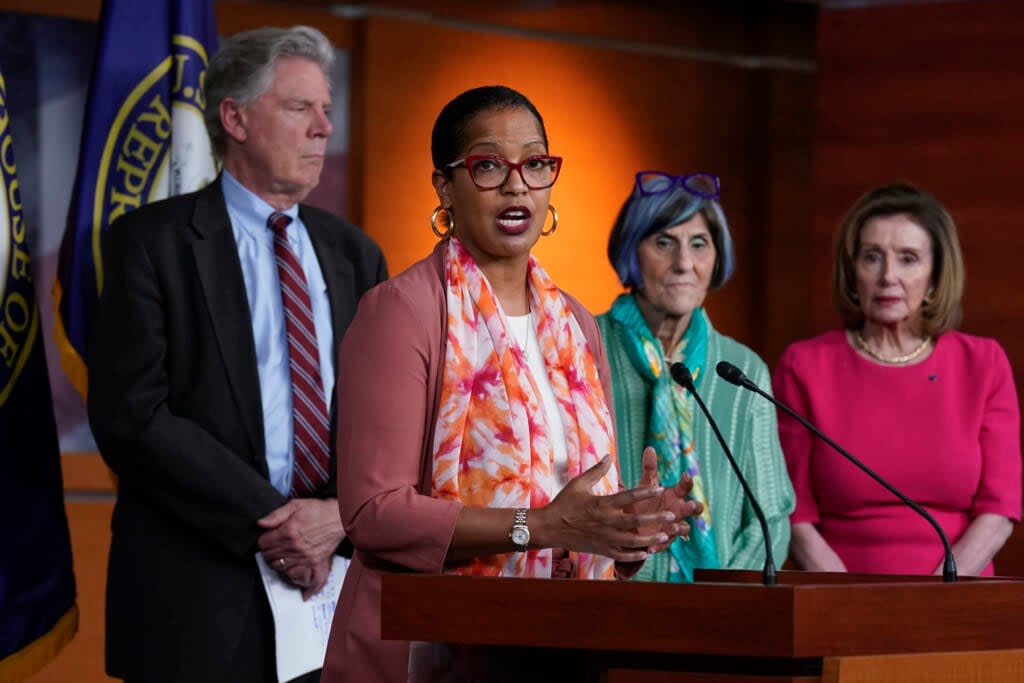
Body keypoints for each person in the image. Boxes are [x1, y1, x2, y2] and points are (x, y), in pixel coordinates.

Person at [319, 85, 698, 683]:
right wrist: (540, 525)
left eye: (536, 163)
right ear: (445, 186)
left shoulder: (573, 322)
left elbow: (581, 509)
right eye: (490, 165)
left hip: (563, 643)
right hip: (433, 647)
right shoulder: (401, 311)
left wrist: (626, 525)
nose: (517, 184)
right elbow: (374, 514)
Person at [87, 26, 387, 683]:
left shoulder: (354, 254)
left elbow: (387, 419)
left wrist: (338, 517)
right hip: (196, 597)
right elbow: (133, 416)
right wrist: (281, 523)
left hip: (329, 596)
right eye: (299, 107)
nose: (322, 129)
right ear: (234, 117)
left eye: (327, 111)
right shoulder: (151, 241)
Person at [773, 182, 1021, 576]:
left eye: (908, 259)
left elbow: (1000, 508)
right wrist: (850, 601)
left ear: (936, 275)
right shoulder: (804, 366)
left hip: (956, 596)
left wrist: (933, 594)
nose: (889, 276)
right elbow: (791, 512)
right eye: (872, 257)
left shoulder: (983, 363)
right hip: (836, 599)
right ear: (852, 272)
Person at [597, 172, 794, 582]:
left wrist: (724, 599)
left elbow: (769, 519)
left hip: (722, 616)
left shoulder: (742, 369)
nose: (684, 263)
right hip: (605, 605)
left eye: (699, 244)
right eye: (664, 242)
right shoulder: (582, 346)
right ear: (632, 251)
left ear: (716, 258)